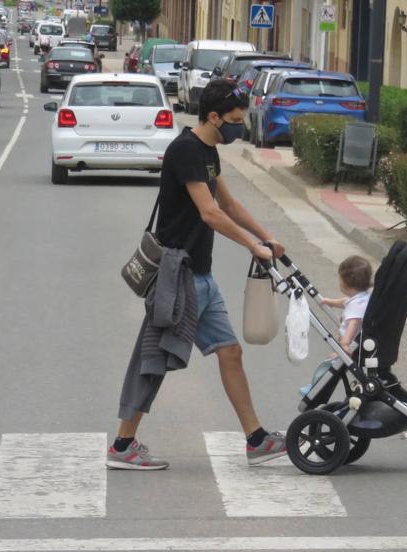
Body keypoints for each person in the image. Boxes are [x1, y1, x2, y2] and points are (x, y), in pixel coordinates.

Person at [109, 78, 288, 470]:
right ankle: (123, 446)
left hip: (202, 278)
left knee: (231, 351)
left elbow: (229, 203)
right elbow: (209, 213)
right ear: (213, 116)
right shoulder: (186, 150)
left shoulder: (209, 151)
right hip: (179, 275)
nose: (240, 127)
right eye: (235, 120)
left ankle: (256, 440)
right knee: (154, 360)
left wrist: (266, 236)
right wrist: (251, 246)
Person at [300, 256, 373, 397]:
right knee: (332, 366)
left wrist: (344, 345)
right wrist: (331, 302)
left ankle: (314, 388)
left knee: (326, 367)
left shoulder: (356, 306)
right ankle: (316, 386)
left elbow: (354, 322)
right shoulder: (361, 297)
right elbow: (345, 302)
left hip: (351, 347)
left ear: (346, 284)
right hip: (357, 344)